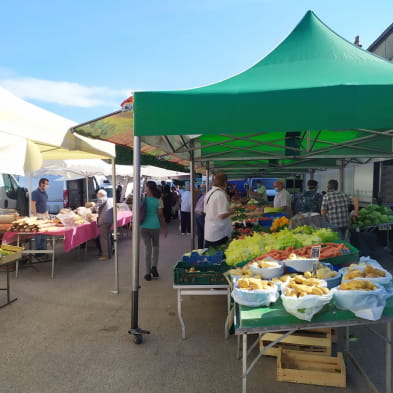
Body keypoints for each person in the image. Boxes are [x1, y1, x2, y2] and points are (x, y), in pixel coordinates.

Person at [141, 181, 168, 281]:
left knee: (148, 249)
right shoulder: (159, 199)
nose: (145, 189)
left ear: (148, 188)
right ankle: (154, 267)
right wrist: (165, 227)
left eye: (146, 187)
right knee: (156, 247)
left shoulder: (143, 199)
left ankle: (147, 273)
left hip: (144, 227)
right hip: (155, 226)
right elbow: (161, 215)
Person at [204, 173, 233, 248]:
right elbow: (222, 215)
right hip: (219, 234)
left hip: (210, 231)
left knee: (211, 256)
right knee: (219, 256)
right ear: (224, 182)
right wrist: (231, 212)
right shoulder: (220, 194)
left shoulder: (209, 192)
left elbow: (206, 211)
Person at [31, 178, 49, 252]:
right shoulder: (35, 192)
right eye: (46, 184)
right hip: (38, 214)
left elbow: (45, 204)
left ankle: (43, 249)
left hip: (44, 214)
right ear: (41, 184)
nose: (47, 186)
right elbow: (33, 205)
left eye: (48, 184)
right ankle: (39, 251)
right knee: (38, 234)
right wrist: (35, 216)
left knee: (44, 233)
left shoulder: (45, 193)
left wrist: (47, 215)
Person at [95, 189, 114, 261]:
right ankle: (109, 253)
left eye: (97, 195)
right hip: (110, 220)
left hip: (104, 220)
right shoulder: (110, 199)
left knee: (103, 238)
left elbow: (95, 208)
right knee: (108, 237)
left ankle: (105, 255)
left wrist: (89, 209)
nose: (97, 196)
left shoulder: (101, 199)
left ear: (100, 195)